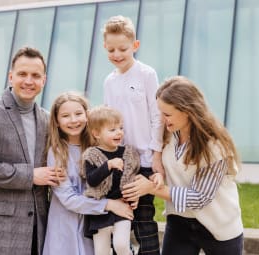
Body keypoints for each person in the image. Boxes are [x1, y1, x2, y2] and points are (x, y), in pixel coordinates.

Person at [122, 76, 244, 255]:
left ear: (187, 111)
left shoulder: (214, 145)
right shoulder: (168, 133)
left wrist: (151, 189)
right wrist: (158, 176)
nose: (162, 120)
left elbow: (200, 197)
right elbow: (169, 167)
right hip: (180, 220)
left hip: (219, 226)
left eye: (167, 114)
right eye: (160, 113)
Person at [0, 47, 65, 255]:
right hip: (1, 226)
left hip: (39, 226)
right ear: (11, 77)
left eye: (35, 76)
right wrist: (31, 175)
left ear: (43, 80)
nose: (29, 81)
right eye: (22, 74)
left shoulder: (48, 119)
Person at [102, 15, 164, 255]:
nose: (117, 54)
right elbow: (108, 121)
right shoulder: (108, 81)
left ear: (135, 46)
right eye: (111, 49)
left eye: (123, 49)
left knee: (144, 221)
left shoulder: (147, 74)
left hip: (145, 161)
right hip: (120, 163)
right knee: (119, 222)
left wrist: (156, 154)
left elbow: (157, 116)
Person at [43, 93, 134, 255]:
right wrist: (109, 204)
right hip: (65, 227)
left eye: (78, 114)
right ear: (56, 121)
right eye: (65, 116)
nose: (73, 120)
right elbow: (68, 199)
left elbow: (121, 177)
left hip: (96, 225)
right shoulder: (57, 152)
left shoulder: (101, 148)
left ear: (87, 115)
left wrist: (131, 193)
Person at [81, 106, 140, 255]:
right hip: (100, 209)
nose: (119, 132)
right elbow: (92, 180)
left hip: (122, 207)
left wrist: (134, 196)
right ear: (96, 134)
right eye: (112, 130)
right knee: (101, 251)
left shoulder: (128, 153)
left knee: (120, 245)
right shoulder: (91, 154)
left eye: (120, 128)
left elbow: (133, 177)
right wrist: (108, 165)